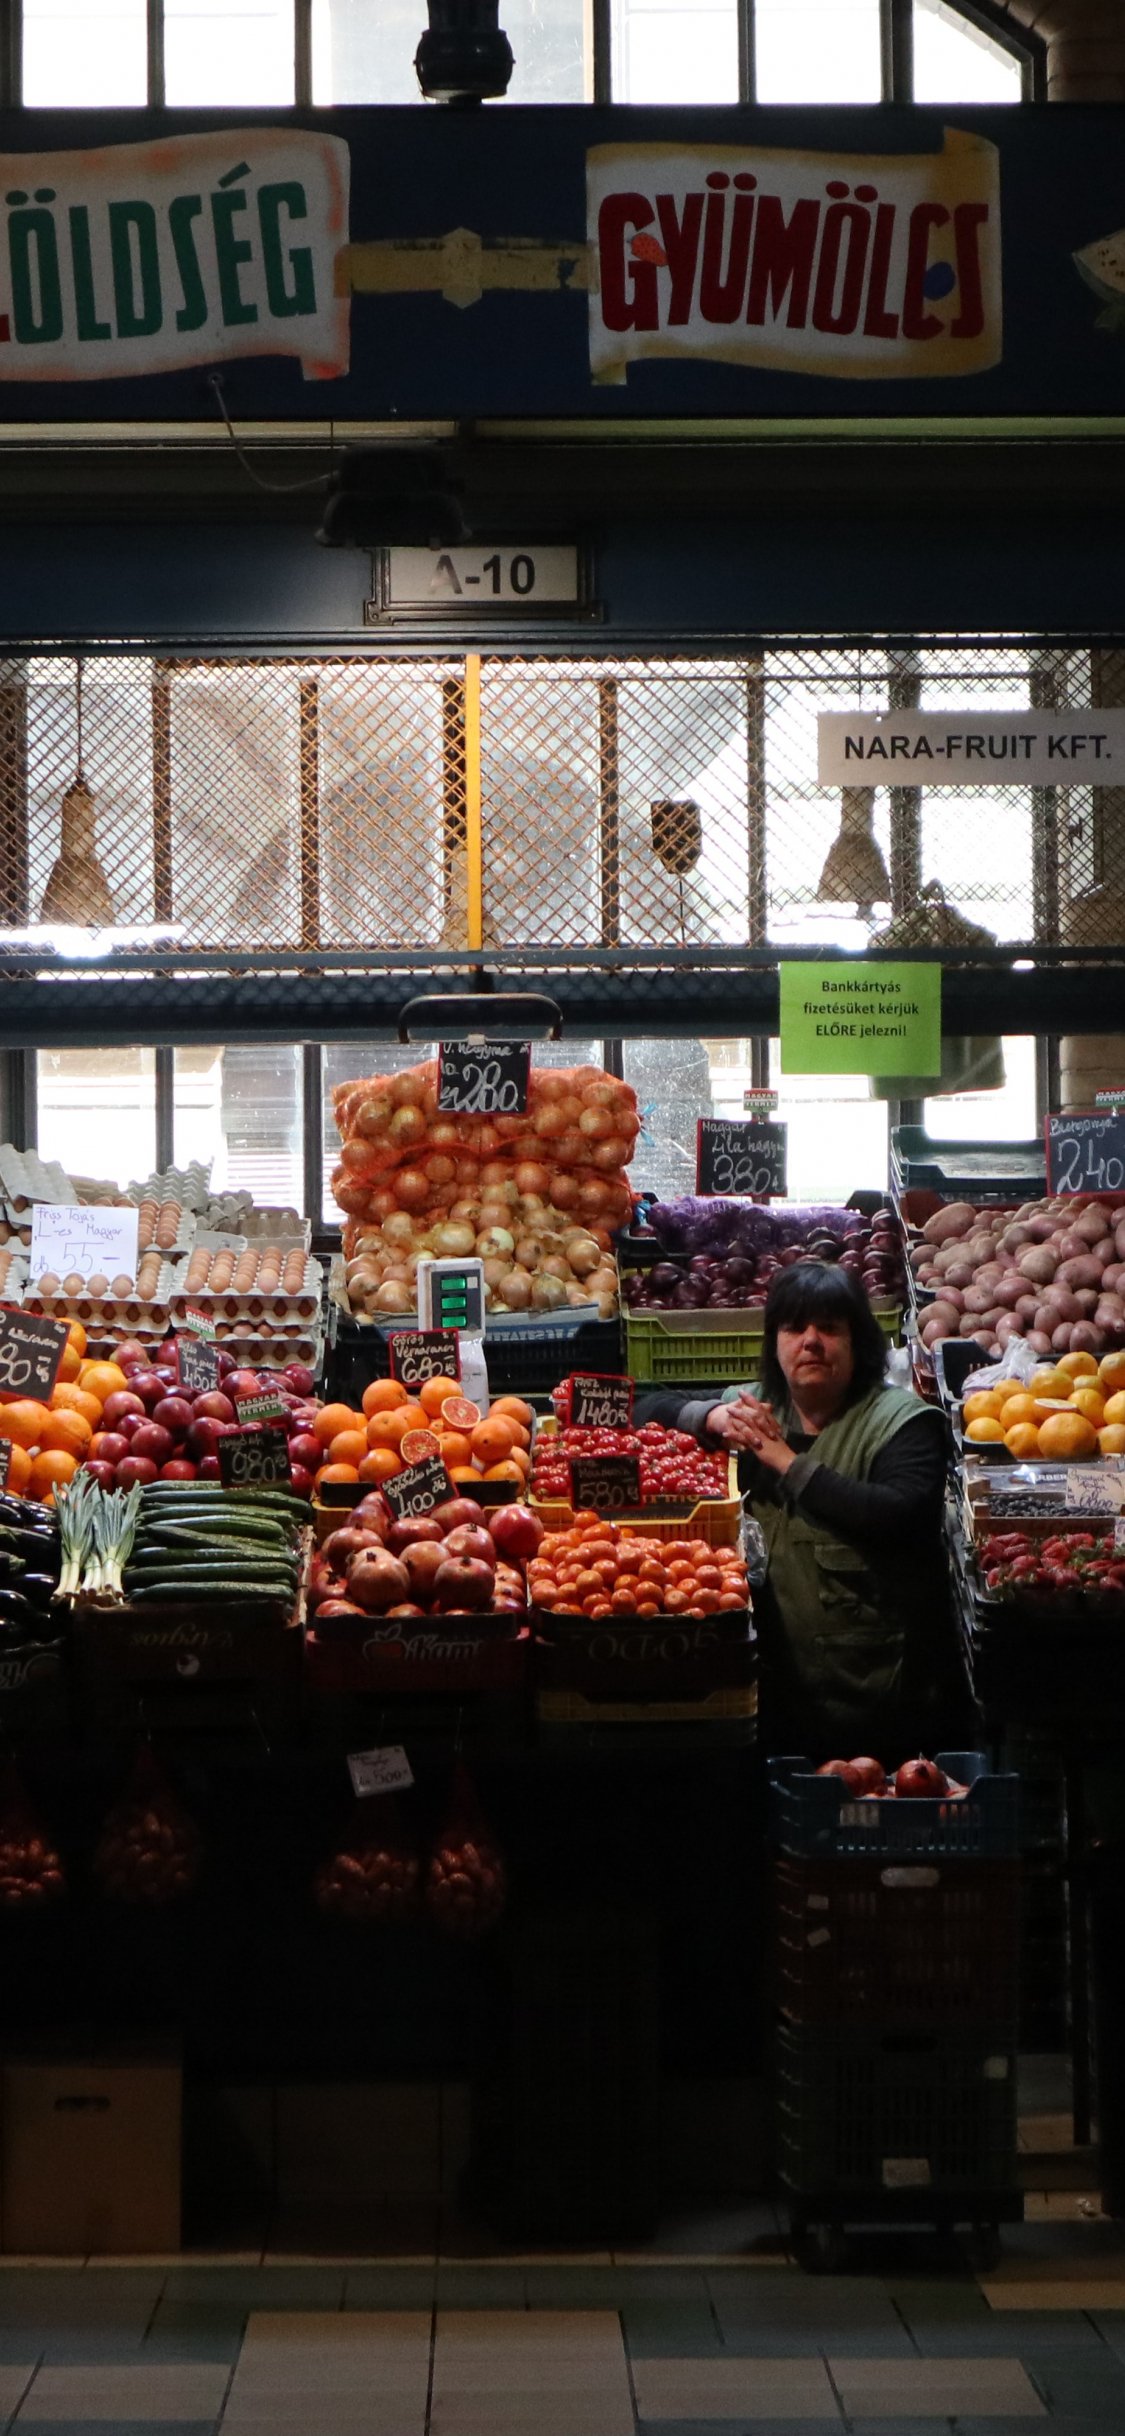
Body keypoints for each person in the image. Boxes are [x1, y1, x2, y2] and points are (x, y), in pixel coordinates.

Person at [635, 1260, 970, 1761]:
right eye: (794, 1328)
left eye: (829, 1328)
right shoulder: (758, 1407)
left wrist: (786, 1463)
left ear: (858, 1342)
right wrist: (711, 1415)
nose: (811, 1341)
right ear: (775, 1343)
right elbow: (642, 1409)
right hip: (771, 1697)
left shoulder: (903, 1423)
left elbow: (901, 1512)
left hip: (875, 1701)